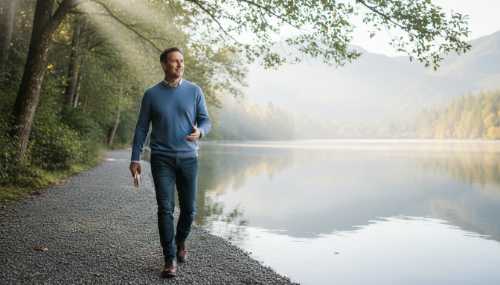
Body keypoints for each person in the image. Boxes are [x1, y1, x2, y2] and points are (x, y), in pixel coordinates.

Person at [129, 47, 211, 278]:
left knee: (189, 209)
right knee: (165, 209)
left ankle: (180, 242)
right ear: (164, 65)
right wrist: (135, 157)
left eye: (181, 61)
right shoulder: (151, 94)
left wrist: (201, 132)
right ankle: (170, 258)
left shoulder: (194, 91)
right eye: (174, 61)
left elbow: (205, 120)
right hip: (161, 158)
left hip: (188, 158)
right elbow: (142, 128)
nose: (179, 65)